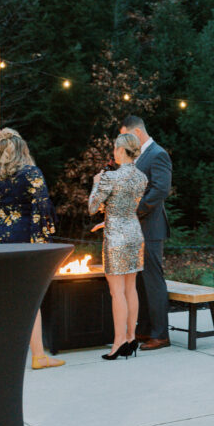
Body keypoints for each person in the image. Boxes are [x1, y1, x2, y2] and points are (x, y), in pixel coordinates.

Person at [0, 128, 65, 370]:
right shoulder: (32, 173)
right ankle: (38, 356)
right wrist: (44, 244)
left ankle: (1, 355)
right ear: (22, 149)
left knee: (4, 299)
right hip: (25, 241)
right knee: (30, 301)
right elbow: (43, 211)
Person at [89, 133, 148, 360]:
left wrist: (95, 184)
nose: (113, 151)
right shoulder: (141, 177)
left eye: (115, 148)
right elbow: (124, 207)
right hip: (134, 232)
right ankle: (132, 337)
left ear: (122, 151)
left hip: (116, 237)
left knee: (117, 292)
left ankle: (118, 342)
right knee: (130, 288)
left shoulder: (110, 178)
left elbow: (93, 207)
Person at [119, 116, 173, 351]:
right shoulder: (137, 156)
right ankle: (145, 328)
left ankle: (161, 334)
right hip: (134, 228)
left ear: (138, 133)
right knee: (139, 280)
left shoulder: (158, 154)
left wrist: (135, 210)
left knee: (152, 280)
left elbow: (160, 189)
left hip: (150, 227)